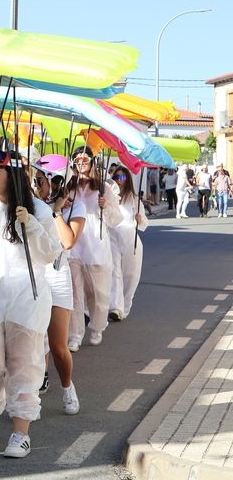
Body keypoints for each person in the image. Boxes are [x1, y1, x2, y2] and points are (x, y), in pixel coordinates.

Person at [0, 149, 61, 459]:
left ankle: (20, 433)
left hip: (27, 296)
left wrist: (31, 223)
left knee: (24, 362)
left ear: (12, 175)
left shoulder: (39, 210)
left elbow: (51, 253)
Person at [33, 163, 85, 416]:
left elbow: (67, 241)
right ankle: (34, 387)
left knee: (57, 345)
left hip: (57, 274)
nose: (39, 184)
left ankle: (67, 385)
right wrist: (38, 201)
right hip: (33, 273)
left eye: (43, 180)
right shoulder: (31, 204)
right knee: (33, 340)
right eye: (37, 179)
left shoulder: (76, 206)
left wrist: (55, 212)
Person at [65, 147, 122, 348]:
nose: (81, 163)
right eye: (77, 160)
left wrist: (105, 206)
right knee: (74, 292)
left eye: (85, 159)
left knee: (98, 294)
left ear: (92, 162)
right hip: (74, 244)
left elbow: (116, 219)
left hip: (96, 246)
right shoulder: (68, 187)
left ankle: (97, 327)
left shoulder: (103, 188)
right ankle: (75, 335)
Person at [108, 166, 149, 322]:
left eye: (122, 177)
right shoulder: (108, 196)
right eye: (116, 177)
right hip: (112, 236)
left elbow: (144, 223)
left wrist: (140, 219)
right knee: (115, 272)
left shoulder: (133, 198)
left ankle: (125, 306)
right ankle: (116, 308)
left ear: (127, 180)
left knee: (130, 275)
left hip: (130, 237)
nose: (119, 180)